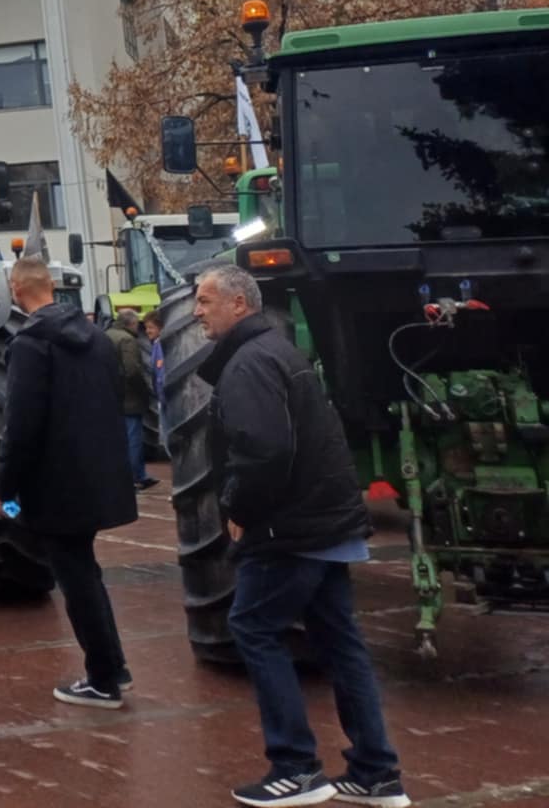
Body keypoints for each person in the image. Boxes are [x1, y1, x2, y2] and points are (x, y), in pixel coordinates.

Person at [196, 266, 407, 808]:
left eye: (206, 301)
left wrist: (238, 506)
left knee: (253, 626)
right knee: (341, 643)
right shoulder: (280, 352)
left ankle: (295, 767)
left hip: (289, 528)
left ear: (239, 304)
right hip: (326, 523)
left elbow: (265, 451)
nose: (197, 311)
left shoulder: (247, 365)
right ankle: (375, 773)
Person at [0, 257, 137, 709]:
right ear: (51, 285)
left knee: (75, 579)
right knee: (85, 572)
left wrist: (5, 488)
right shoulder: (96, 338)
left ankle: (102, 679)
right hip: (96, 477)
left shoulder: (30, 345)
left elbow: (21, 425)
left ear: (16, 290)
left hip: (55, 486)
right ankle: (114, 667)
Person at [108, 308, 157, 490]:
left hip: (111, 398)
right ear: (131, 324)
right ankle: (137, 476)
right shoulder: (127, 340)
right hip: (129, 399)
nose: (139, 328)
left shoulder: (106, 336)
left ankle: (122, 476)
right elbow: (133, 370)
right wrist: (144, 391)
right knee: (133, 439)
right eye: (137, 324)